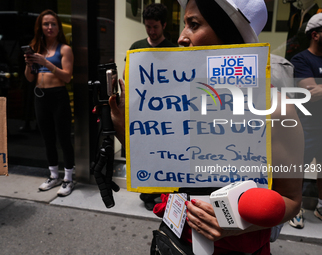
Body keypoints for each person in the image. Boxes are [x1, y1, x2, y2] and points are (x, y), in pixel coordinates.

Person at [110, 0, 304, 253]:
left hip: (234, 248)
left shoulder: (276, 107)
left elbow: (291, 200)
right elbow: (159, 164)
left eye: (194, 25)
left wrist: (238, 225)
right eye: (184, 25)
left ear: (228, 35)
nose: (181, 38)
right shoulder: (175, 98)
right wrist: (123, 125)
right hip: (173, 238)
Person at [289, 13, 322, 230]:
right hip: (307, 126)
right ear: (315, 35)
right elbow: (310, 92)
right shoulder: (301, 60)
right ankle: (295, 206)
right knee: (298, 169)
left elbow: (318, 90)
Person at [124, 3, 177, 211]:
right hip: (142, 110)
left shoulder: (173, 50)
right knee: (145, 152)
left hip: (167, 111)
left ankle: (163, 191)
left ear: (163, 25)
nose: (151, 31)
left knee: (165, 152)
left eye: (155, 27)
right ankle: (147, 192)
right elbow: (127, 76)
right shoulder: (136, 47)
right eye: (148, 27)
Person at [24, 9, 75, 197]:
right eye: (46, 24)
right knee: (47, 139)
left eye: (53, 23)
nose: (50, 27)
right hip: (40, 96)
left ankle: (68, 178)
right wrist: (30, 64)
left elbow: (67, 77)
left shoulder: (64, 49)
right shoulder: (35, 47)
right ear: (41, 27)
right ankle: (54, 175)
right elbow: (29, 78)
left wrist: (46, 62)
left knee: (63, 138)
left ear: (58, 26)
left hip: (58, 96)